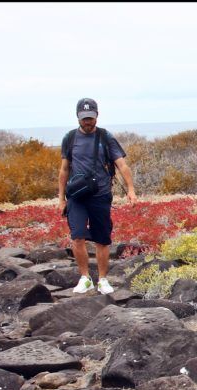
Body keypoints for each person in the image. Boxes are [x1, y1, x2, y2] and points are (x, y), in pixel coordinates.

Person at [58, 97, 137, 295]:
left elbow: (122, 165)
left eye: (91, 117)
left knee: (102, 239)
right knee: (77, 237)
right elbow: (64, 169)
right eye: (84, 118)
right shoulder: (70, 138)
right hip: (76, 196)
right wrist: (61, 199)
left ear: (97, 116)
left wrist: (131, 189)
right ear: (78, 117)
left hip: (100, 195)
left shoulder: (105, 137)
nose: (88, 121)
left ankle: (102, 279)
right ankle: (85, 278)